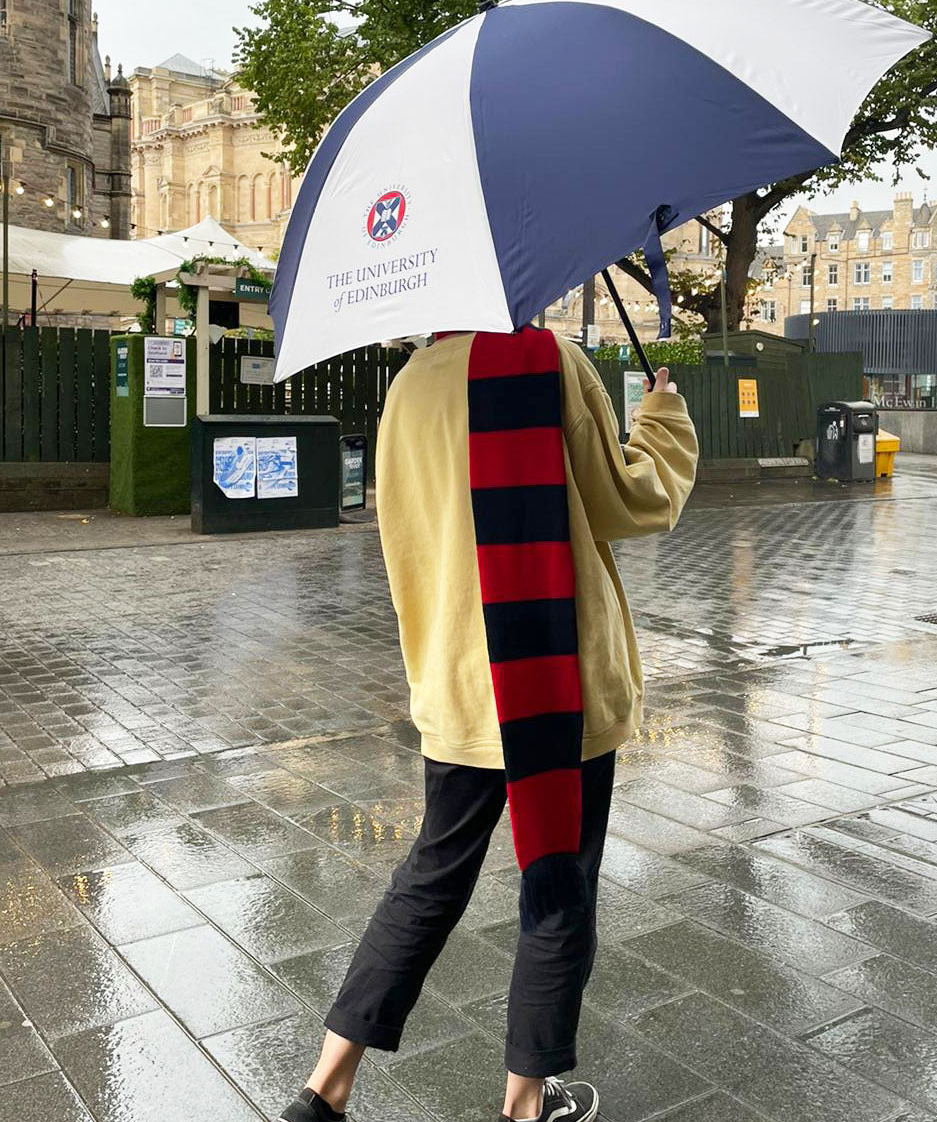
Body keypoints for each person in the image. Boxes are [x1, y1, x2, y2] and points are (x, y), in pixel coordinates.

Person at [280, 328, 697, 1122]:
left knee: (430, 880)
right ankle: (524, 1107)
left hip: (460, 681)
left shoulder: (408, 385)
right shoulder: (550, 361)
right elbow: (631, 502)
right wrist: (664, 419)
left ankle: (324, 1087)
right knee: (558, 880)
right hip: (555, 680)